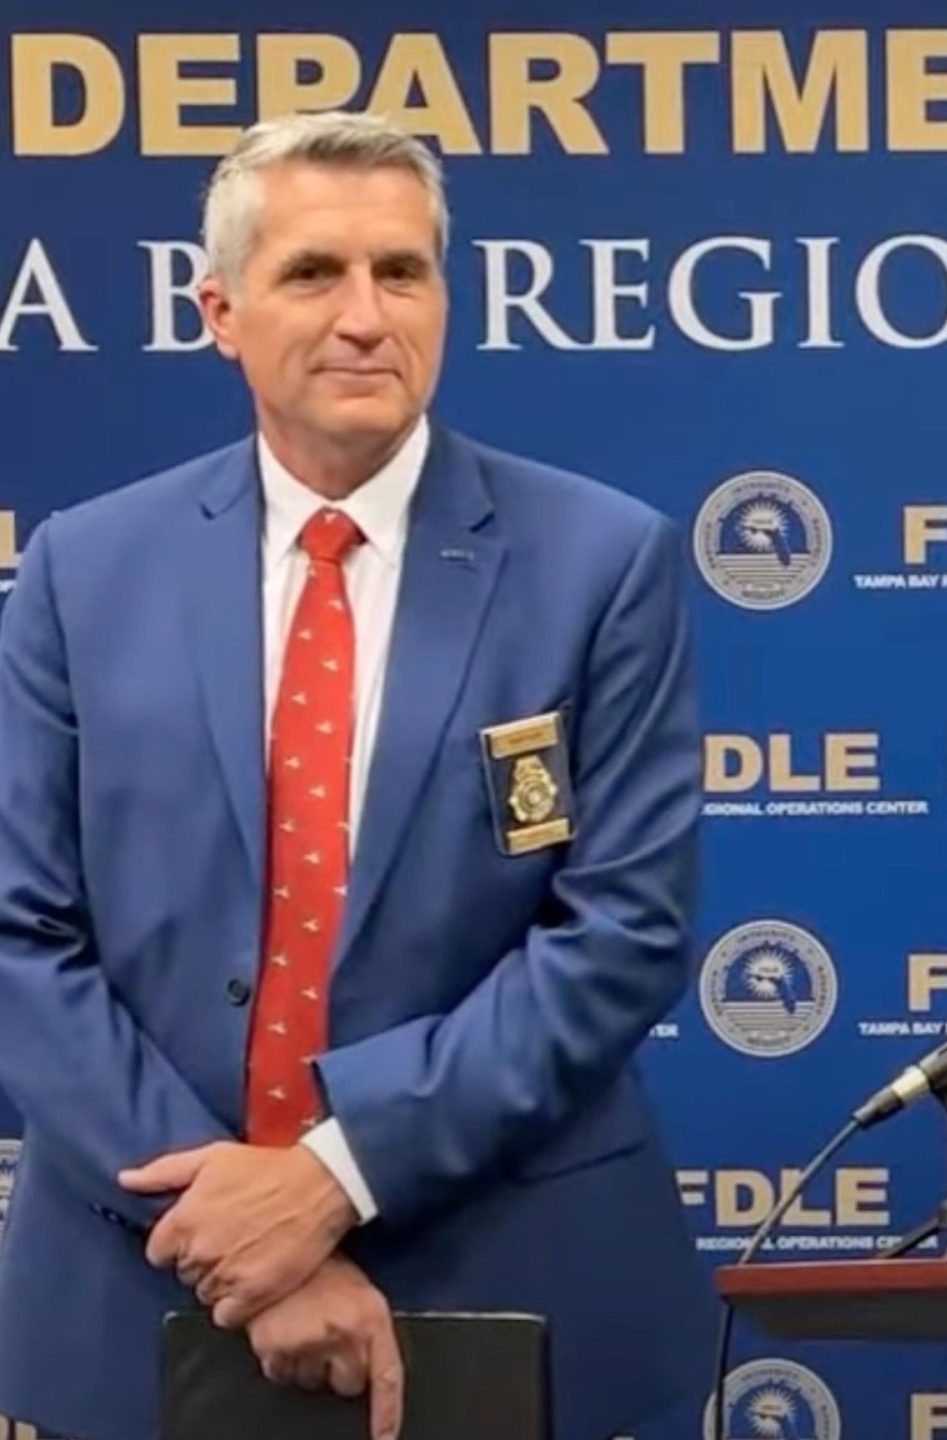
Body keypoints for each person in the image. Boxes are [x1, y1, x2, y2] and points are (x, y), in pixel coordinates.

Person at [0, 111, 711, 1440]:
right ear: (219, 311)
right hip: (136, 1278)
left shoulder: (603, 563)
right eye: (314, 273)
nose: (367, 316)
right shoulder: (80, 572)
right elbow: (17, 935)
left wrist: (333, 1174)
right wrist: (232, 1230)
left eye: (405, 272)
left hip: (509, 1273)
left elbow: (622, 932)